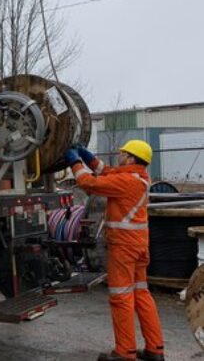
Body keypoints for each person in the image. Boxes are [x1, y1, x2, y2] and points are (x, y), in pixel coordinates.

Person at [64, 140, 165, 361]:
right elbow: (107, 172)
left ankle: (125, 352)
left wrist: (74, 161)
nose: (119, 155)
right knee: (142, 295)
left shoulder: (125, 181)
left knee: (121, 298)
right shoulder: (139, 178)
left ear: (130, 158)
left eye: (123, 153)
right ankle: (155, 349)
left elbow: (87, 182)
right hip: (139, 246)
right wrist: (87, 156)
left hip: (124, 248)